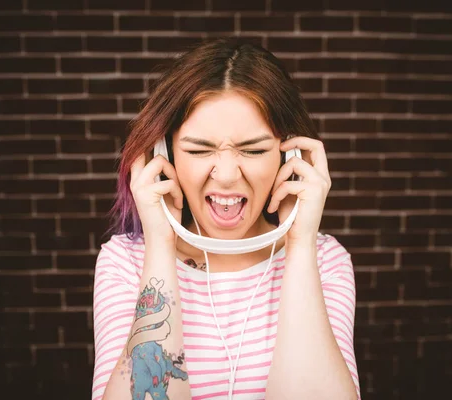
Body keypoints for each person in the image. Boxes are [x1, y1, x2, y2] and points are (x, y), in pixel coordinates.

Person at [92, 38, 361, 400]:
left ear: (290, 154)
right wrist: (160, 246)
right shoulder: (125, 263)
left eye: (253, 149)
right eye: (199, 149)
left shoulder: (325, 260)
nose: (227, 175)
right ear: (164, 154)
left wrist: (299, 244)